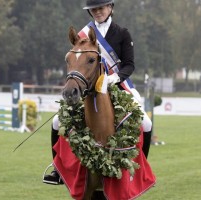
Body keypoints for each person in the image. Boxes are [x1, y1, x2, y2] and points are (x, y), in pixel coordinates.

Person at [43, 0, 152, 185]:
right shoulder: (82, 34)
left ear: (110, 7)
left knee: (146, 122)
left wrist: (114, 78)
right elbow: (76, 64)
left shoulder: (122, 33)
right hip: (89, 89)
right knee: (57, 121)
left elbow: (129, 65)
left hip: (118, 86)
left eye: (101, 8)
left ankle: (140, 169)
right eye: (93, 9)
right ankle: (58, 170)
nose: (97, 12)